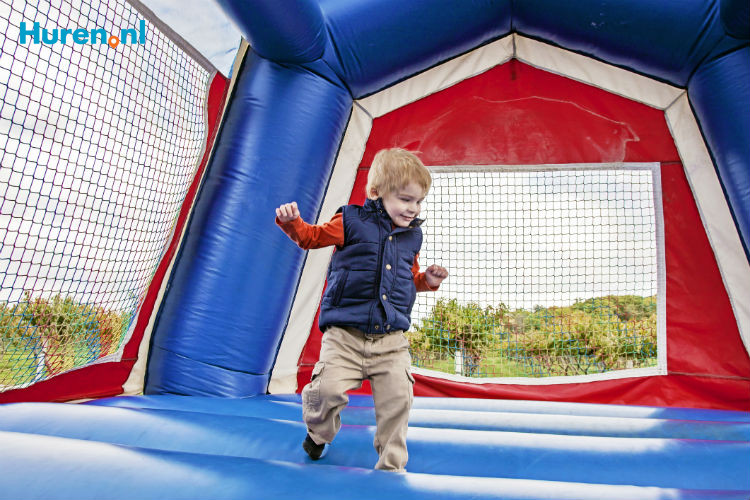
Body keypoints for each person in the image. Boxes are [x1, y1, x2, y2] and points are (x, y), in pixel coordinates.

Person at [275, 148, 448, 472]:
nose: (413, 208)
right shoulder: (350, 221)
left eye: (418, 201)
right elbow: (312, 237)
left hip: (390, 340)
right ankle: (319, 433)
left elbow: (408, 280)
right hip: (345, 337)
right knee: (325, 393)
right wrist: (292, 222)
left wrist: (427, 280)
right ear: (377, 193)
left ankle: (391, 468)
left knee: (399, 399)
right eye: (405, 199)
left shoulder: (412, 236)